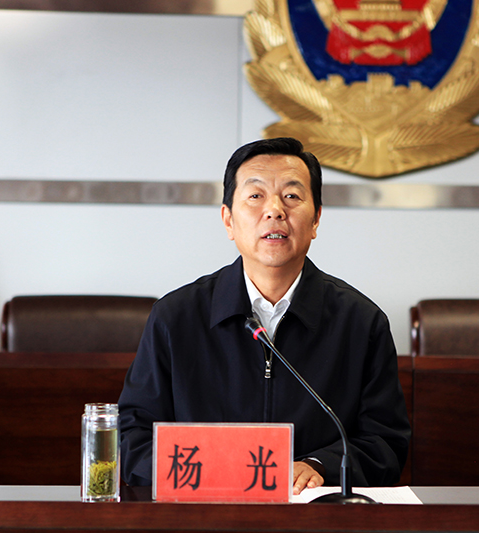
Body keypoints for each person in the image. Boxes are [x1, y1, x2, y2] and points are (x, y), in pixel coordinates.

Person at [118, 137, 410, 494]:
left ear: (316, 219)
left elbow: (386, 444)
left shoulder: (361, 323)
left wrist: (319, 466)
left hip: (312, 514)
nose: (274, 210)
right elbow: (132, 436)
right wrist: (213, 472)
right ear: (228, 220)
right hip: (203, 511)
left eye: (292, 196)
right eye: (255, 196)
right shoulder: (175, 317)